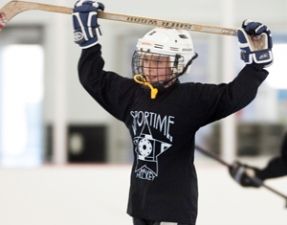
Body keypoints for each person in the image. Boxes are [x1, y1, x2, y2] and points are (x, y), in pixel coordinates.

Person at [72, 1, 273, 224]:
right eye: (146, 58)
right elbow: (93, 79)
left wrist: (256, 65)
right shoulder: (130, 94)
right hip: (141, 204)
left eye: (158, 60)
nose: (149, 66)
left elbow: (234, 96)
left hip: (174, 209)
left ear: (178, 64)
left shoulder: (192, 98)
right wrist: (87, 41)